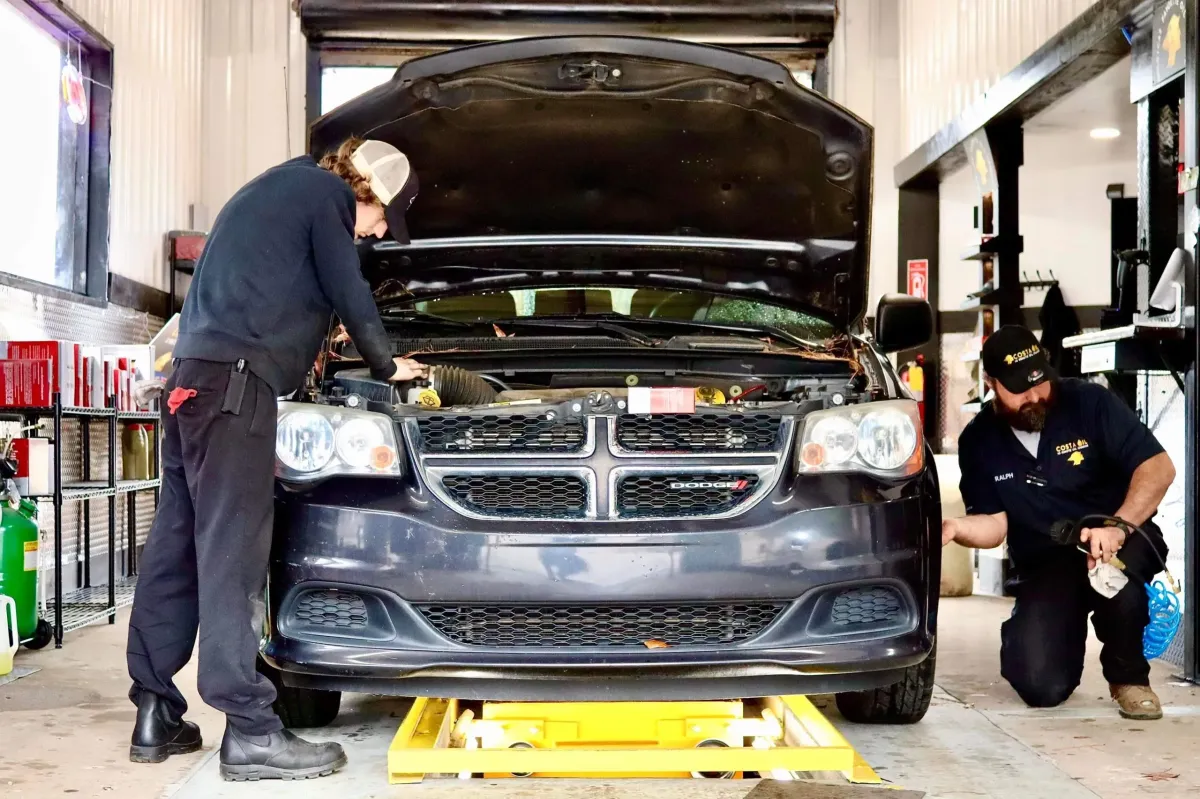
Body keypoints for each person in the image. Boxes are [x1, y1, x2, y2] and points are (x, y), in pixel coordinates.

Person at [125, 138, 427, 780]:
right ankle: (251, 731)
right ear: (368, 192)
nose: (377, 233)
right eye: (381, 219)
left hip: (191, 382)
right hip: (238, 392)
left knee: (176, 547)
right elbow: (348, 287)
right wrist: (386, 363)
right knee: (233, 558)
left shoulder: (273, 187)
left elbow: (281, 284)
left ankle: (155, 710)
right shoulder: (327, 196)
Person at [942, 325, 1175, 720]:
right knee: (1040, 686)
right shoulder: (979, 441)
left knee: (1117, 584)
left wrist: (1118, 527)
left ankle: (1129, 678)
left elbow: (1158, 468)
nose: (1034, 396)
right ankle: (1036, 632)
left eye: (1040, 382)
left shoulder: (1090, 402)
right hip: (1047, 560)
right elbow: (994, 525)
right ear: (991, 384)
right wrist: (956, 529)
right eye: (1020, 389)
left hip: (1116, 539)